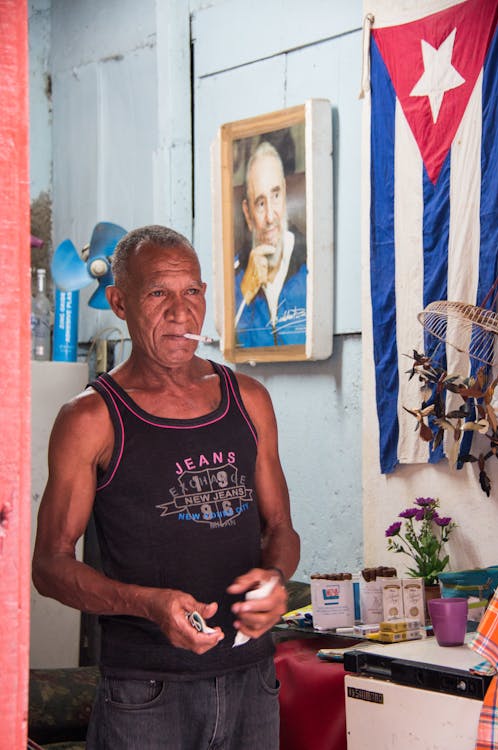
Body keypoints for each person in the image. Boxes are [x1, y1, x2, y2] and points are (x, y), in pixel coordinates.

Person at [32, 224, 300, 750]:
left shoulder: (249, 399)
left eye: (193, 292)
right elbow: (50, 566)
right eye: (158, 293)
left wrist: (274, 579)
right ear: (119, 302)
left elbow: (281, 528)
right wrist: (147, 604)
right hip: (146, 694)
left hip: (253, 681)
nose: (181, 313)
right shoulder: (91, 418)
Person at [234, 141, 307, 349]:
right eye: (260, 203)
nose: (269, 217)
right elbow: (231, 344)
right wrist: (246, 291)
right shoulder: (235, 276)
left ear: (285, 194)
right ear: (248, 214)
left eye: (275, 196)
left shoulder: (311, 264)